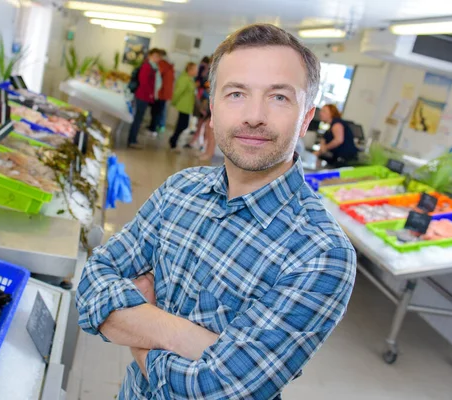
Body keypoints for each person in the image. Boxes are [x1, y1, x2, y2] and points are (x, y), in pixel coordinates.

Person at [76, 23, 356, 400]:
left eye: (278, 98)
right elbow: (93, 281)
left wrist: (138, 326)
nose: (254, 115)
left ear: (306, 118)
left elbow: (217, 390)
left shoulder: (322, 255)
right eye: (236, 93)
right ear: (213, 108)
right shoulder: (180, 190)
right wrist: (185, 336)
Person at [128, 48, 163, 149]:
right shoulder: (147, 66)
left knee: (139, 118)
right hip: (142, 96)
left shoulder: (153, 67)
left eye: (158, 57)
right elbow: (143, 82)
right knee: (137, 119)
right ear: (150, 56)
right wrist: (150, 94)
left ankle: (133, 139)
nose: (157, 59)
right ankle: (132, 140)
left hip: (145, 97)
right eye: (155, 56)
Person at [169, 62, 197, 150]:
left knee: (182, 124)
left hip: (187, 106)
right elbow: (178, 92)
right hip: (183, 105)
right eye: (195, 69)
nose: (196, 71)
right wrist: (173, 101)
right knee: (183, 124)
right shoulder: (184, 78)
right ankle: (173, 139)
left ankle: (173, 139)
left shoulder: (190, 79)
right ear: (190, 70)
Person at [148, 50, 175, 136]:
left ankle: (153, 128)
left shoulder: (162, 64)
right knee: (159, 111)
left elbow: (158, 78)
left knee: (156, 111)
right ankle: (155, 127)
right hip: (165, 93)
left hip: (160, 93)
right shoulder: (169, 65)